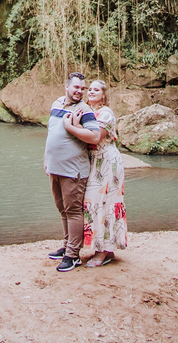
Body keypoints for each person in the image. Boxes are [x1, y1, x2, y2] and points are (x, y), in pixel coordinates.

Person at [44, 71, 101, 272]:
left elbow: (95, 136)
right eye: (76, 87)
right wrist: (46, 159)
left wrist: (70, 127)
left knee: (73, 211)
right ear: (66, 87)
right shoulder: (56, 104)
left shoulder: (84, 110)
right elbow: (51, 133)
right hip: (55, 167)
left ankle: (73, 254)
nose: (79, 91)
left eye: (82, 88)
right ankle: (67, 245)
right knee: (62, 209)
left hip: (73, 170)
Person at [71, 79, 127, 267]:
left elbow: (95, 138)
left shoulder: (106, 113)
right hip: (93, 162)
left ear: (104, 95)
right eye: (90, 89)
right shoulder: (87, 111)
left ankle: (103, 251)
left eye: (97, 89)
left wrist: (74, 126)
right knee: (93, 203)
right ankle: (102, 248)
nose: (92, 91)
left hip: (107, 162)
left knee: (105, 202)